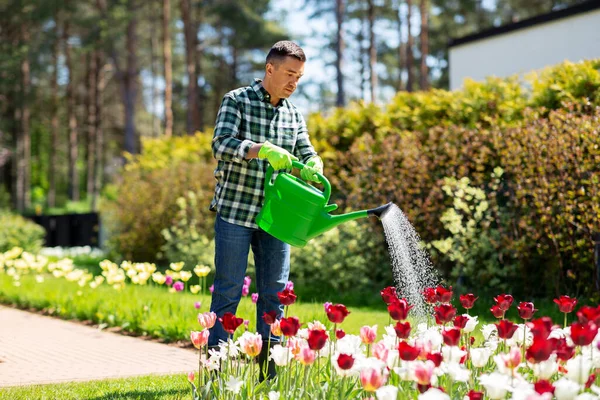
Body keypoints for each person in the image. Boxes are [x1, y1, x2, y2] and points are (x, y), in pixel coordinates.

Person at [208, 41, 323, 379]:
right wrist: (260, 149)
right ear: (269, 69)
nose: (293, 83)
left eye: (299, 77)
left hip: (277, 218)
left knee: (275, 297)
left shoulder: (293, 113)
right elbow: (221, 144)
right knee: (228, 291)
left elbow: (305, 151)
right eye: (289, 74)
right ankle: (216, 374)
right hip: (236, 211)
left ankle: (270, 376)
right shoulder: (237, 100)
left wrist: (313, 162)